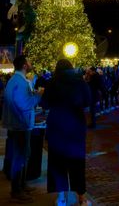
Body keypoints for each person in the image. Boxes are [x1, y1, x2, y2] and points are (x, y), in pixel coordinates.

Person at [41, 59, 92, 206]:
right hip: (75, 126)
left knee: (57, 162)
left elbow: (44, 103)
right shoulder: (79, 81)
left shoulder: (52, 82)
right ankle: (81, 198)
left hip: (57, 126)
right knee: (77, 162)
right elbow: (88, 100)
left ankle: (61, 197)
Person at [2, 54, 44, 204]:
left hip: (18, 125)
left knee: (22, 156)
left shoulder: (16, 80)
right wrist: (38, 96)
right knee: (20, 158)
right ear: (25, 65)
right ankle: (16, 191)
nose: (31, 62)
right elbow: (24, 104)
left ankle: (21, 185)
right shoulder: (19, 82)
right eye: (30, 61)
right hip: (20, 126)